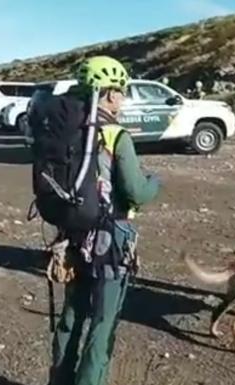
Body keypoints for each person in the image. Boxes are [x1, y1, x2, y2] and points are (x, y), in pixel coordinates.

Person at [41, 56, 160, 385]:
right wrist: (156, 182)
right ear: (108, 93)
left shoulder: (68, 131)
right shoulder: (116, 135)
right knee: (102, 322)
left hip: (72, 233)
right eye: (121, 92)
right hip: (111, 239)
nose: (122, 99)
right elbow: (136, 191)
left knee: (71, 315)